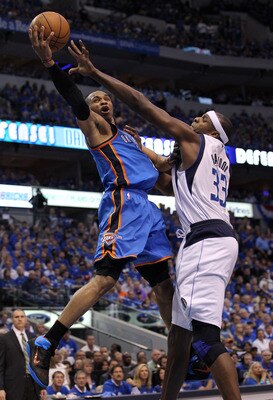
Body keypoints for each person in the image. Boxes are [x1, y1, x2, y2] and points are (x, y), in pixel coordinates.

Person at [59, 39, 242, 400]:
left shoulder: (194, 140)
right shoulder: (215, 159)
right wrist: (156, 162)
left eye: (203, 119)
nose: (195, 119)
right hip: (217, 239)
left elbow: (142, 105)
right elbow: (160, 175)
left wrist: (95, 73)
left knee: (205, 339)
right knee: (179, 335)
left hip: (204, 242)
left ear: (212, 133)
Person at [27, 25, 174, 389]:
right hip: (123, 202)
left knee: (163, 283)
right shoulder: (96, 131)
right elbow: (75, 100)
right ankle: (48, 341)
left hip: (148, 210)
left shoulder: (130, 136)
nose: (102, 101)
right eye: (96, 100)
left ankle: (181, 347)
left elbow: (164, 167)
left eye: (105, 98)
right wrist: (51, 65)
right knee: (107, 279)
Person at [0, 309, 45, 400]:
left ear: (25, 319)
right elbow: (0, 366)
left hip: (33, 385)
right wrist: (1, 388)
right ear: (12, 319)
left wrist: (42, 386)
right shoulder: (4, 339)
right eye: (16, 317)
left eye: (22, 316)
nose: (19, 319)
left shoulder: (33, 337)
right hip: (13, 386)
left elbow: (38, 364)